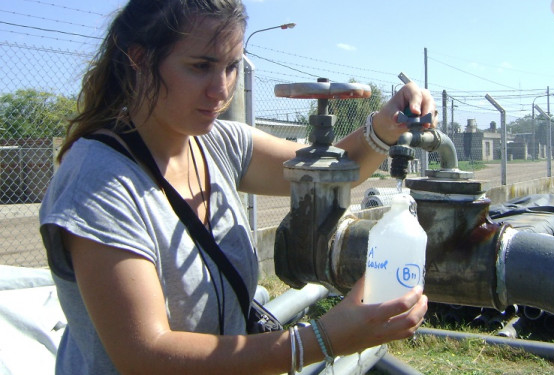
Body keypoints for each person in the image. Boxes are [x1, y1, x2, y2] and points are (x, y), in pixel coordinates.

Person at [38, 0, 433, 373]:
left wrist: (385, 124)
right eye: (200, 66)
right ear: (139, 59)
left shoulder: (217, 143)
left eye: (230, 67)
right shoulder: (98, 180)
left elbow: (335, 169)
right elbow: (145, 356)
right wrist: (320, 341)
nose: (221, 89)